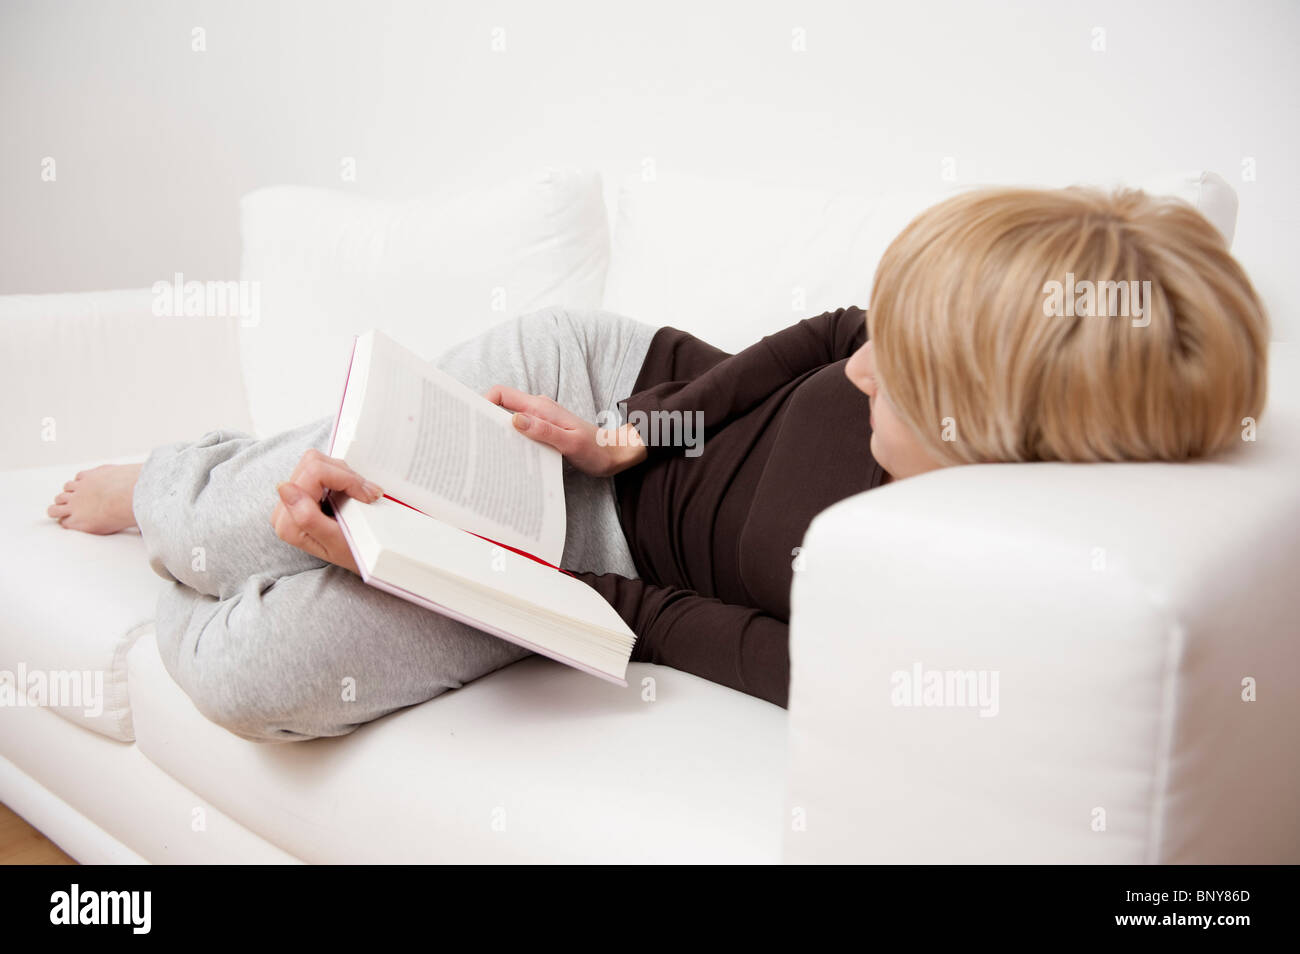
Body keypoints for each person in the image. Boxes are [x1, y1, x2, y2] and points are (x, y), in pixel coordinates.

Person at [47, 186, 1269, 741]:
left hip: (589, 557)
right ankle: (179, 485)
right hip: (599, 394)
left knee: (261, 677)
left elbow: (678, 623)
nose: (860, 377)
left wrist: (485, 566)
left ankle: (204, 557)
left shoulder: (910, 607)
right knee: (235, 524)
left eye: (897, 382)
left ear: (987, 441)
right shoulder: (884, 362)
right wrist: (631, 433)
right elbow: (833, 335)